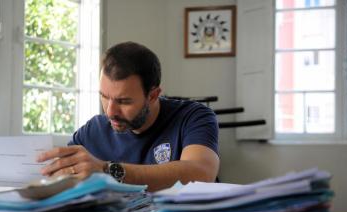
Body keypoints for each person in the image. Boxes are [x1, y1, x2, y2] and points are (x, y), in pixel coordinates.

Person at [37, 41, 219, 191]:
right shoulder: (92, 132)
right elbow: (62, 181)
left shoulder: (193, 117)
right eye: (104, 97)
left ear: (153, 95)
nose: (110, 112)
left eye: (123, 101)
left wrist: (108, 171)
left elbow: (201, 172)